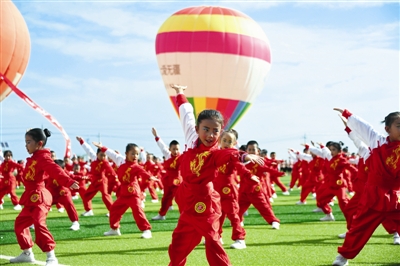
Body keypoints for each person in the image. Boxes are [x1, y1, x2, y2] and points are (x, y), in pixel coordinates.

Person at [168, 85, 264, 266]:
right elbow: (186, 112)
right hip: (187, 201)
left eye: (215, 131)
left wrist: (245, 155)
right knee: (178, 246)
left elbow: (231, 154)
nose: (210, 135)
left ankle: (237, 240)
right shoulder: (190, 135)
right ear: (197, 129)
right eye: (206, 129)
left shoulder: (216, 153)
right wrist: (180, 93)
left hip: (206, 204)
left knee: (213, 242)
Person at [332, 109, 400, 266]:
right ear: (388, 129)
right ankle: (343, 256)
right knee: (359, 228)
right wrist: (348, 116)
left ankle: (396, 235)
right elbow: (364, 128)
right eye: (399, 125)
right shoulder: (376, 142)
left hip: (395, 196)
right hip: (373, 197)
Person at [10, 128, 78, 266]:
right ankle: (27, 253)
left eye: (29, 142)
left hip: (39, 196)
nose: (26, 145)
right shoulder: (34, 158)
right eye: (26, 142)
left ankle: (51, 257)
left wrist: (68, 181)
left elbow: (55, 169)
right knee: (20, 224)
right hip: (31, 196)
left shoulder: (42, 157)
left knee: (39, 223)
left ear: (39, 143)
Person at [92, 142, 154, 238]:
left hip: (133, 193)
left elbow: (143, 172)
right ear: (126, 153)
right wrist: (102, 147)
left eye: (137, 154)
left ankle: (146, 230)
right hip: (123, 193)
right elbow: (111, 153)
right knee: (114, 210)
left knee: (137, 210)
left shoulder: (136, 166)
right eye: (132, 153)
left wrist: (150, 177)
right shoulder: (120, 160)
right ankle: (114, 229)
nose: (135, 156)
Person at [214, 129, 260, 249]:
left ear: (234, 143)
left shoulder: (233, 155)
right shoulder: (216, 153)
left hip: (229, 190)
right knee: (217, 215)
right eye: (224, 140)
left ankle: (240, 239)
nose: (226, 143)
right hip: (216, 191)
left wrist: (249, 175)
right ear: (219, 140)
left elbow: (240, 167)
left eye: (230, 141)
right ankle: (217, 236)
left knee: (233, 214)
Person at [238, 140, 283, 230]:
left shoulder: (259, 162)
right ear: (246, 151)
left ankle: (274, 221)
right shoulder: (242, 162)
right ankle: (238, 221)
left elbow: (267, 168)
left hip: (256, 191)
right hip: (243, 191)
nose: (251, 151)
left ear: (258, 151)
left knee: (264, 208)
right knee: (237, 209)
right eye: (249, 149)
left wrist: (278, 173)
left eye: (253, 150)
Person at [76, 136, 117, 216]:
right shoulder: (94, 157)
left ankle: (112, 211)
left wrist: (115, 177)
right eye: (101, 155)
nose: (103, 157)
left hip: (102, 182)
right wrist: (82, 141)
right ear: (97, 154)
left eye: (104, 156)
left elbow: (111, 171)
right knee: (86, 196)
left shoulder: (105, 162)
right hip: (94, 182)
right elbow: (88, 149)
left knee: (105, 196)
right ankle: (88, 210)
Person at [151, 127, 182, 220]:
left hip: (177, 182)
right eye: (173, 149)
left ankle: (184, 215)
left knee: (180, 199)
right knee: (165, 199)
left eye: (177, 149)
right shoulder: (168, 155)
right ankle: (161, 215)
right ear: (170, 149)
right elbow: (162, 146)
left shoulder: (182, 156)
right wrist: (156, 136)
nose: (175, 151)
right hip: (168, 181)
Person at [47, 159, 80, 231]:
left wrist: (78, 179)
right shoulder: (48, 172)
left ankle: (75, 222)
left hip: (63, 192)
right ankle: (36, 222)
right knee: (43, 206)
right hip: (51, 193)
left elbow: (72, 176)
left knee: (69, 204)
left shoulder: (65, 172)